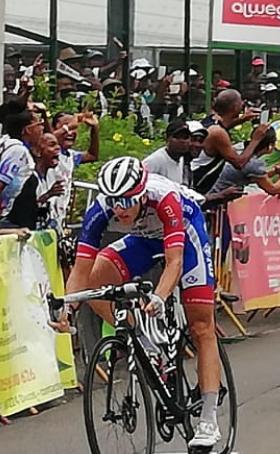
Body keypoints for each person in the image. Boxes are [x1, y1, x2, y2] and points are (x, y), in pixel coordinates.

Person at [60, 158, 223, 448]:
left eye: (127, 200)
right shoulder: (101, 208)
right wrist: (68, 308)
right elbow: (81, 270)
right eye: (114, 201)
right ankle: (144, 341)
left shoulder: (165, 199)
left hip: (186, 236)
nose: (119, 208)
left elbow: (174, 263)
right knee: (95, 282)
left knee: (201, 327)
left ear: (142, 193)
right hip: (143, 240)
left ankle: (209, 417)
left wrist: (159, 297)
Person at [0, 100, 46, 240]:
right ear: (27, 130)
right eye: (39, 125)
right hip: (0, 220)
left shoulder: (11, 145)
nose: (43, 129)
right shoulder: (17, 151)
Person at [191, 89, 269, 195]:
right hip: (197, 183)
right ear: (235, 108)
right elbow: (239, 163)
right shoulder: (218, 133)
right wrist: (256, 139)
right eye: (241, 102)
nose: (243, 104)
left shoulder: (211, 120)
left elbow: (224, 125)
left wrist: (242, 119)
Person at [45, 111, 99, 235]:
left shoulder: (70, 156)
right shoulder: (45, 154)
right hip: (45, 214)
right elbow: (46, 140)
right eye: (66, 127)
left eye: (74, 128)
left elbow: (92, 155)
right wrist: (68, 127)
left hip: (59, 216)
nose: (70, 133)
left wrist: (94, 128)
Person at [210, 126, 280, 197]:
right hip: (218, 199)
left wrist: (277, 169)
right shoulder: (254, 164)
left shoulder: (239, 149)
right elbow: (273, 189)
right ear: (270, 146)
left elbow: (256, 177)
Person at [143, 119, 197, 186]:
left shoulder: (181, 159)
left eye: (185, 137)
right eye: (178, 137)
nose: (183, 141)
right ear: (167, 139)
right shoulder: (155, 160)